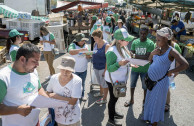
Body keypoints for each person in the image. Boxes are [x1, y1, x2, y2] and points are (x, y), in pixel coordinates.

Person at [143, 27, 189, 126]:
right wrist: (152, 54)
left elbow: (185, 64)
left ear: (165, 39)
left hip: (160, 82)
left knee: (156, 104)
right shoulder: (157, 48)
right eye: (156, 39)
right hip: (151, 81)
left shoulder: (171, 51)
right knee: (149, 101)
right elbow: (150, 61)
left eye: (159, 39)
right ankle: (149, 118)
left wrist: (171, 71)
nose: (156, 41)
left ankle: (153, 123)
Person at [0, 43, 49, 126]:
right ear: (22, 59)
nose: (38, 65)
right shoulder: (3, 77)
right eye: (34, 61)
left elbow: (39, 88)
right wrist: (17, 110)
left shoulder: (32, 71)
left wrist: (47, 99)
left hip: (35, 122)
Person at [105, 28, 135, 126]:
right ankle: (111, 119)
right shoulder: (111, 51)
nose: (128, 41)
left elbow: (125, 61)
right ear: (119, 40)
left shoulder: (123, 48)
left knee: (116, 97)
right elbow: (109, 68)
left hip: (120, 79)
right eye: (126, 40)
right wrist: (119, 64)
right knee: (113, 99)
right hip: (113, 80)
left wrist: (130, 64)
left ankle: (113, 113)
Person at [124, 25, 154, 107]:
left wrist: (135, 55)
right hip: (135, 68)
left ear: (147, 34)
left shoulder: (151, 43)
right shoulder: (135, 42)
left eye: (144, 33)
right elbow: (131, 54)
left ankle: (144, 101)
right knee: (132, 85)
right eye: (141, 33)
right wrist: (135, 55)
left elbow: (148, 58)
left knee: (145, 87)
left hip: (145, 69)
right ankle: (131, 100)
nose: (142, 35)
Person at [47, 56, 82, 126]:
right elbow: (48, 92)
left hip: (73, 118)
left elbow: (73, 101)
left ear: (72, 70)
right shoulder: (54, 78)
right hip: (59, 117)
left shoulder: (77, 81)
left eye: (68, 70)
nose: (65, 72)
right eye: (63, 69)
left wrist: (56, 97)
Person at [68, 33, 90, 101]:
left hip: (84, 68)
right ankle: (74, 96)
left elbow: (88, 56)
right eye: (81, 40)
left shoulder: (86, 46)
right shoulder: (73, 45)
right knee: (74, 84)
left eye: (83, 40)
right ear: (77, 40)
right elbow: (71, 52)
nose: (83, 42)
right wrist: (81, 50)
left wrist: (89, 55)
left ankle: (82, 95)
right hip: (74, 69)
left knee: (82, 83)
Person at [92, 29, 110, 104]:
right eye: (93, 38)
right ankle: (101, 93)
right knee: (100, 82)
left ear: (100, 37)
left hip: (103, 67)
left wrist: (105, 71)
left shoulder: (106, 45)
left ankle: (104, 98)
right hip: (96, 66)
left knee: (104, 84)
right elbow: (94, 53)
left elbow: (108, 59)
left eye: (95, 38)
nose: (94, 39)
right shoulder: (95, 44)